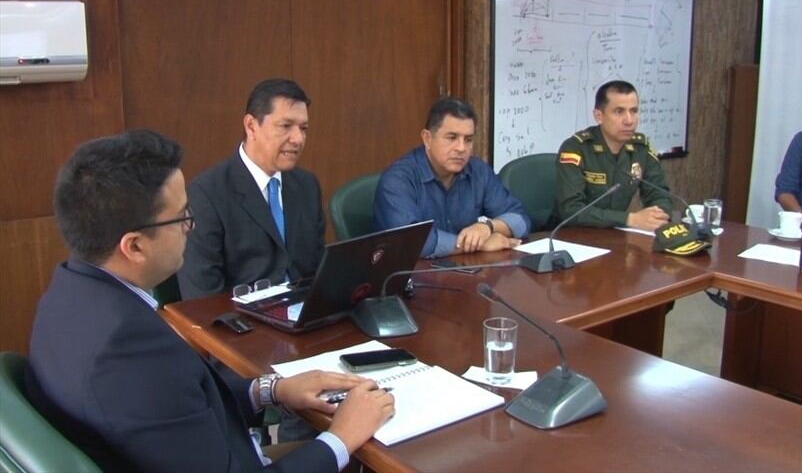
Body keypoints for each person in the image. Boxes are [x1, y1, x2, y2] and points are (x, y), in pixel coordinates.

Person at [26, 130, 394, 472]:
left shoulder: (67, 294)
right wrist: (341, 439)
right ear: (134, 246)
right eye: (183, 216)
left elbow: (179, 407)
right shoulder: (128, 352)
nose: (192, 226)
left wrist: (272, 390)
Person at [178, 78, 325, 300]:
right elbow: (201, 297)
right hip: (244, 324)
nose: (298, 139)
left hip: (305, 316)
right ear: (251, 126)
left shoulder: (306, 185)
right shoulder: (206, 194)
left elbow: (317, 270)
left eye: (303, 128)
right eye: (285, 126)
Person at [373, 97, 530, 258]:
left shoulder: (478, 171)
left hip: (465, 273)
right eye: (452, 137)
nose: (461, 148)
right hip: (411, 277)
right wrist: (478, 244)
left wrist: (487, 227)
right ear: (427, 138)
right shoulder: (397, 180)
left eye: (468, 139)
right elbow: (412, 243)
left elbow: (521, 221)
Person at [556, 80, 672, 231]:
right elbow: (571, 210)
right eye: (619, 111)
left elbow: (660, 194)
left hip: (616, 234)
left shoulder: (641, 148)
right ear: (599, 116)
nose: (629, 120)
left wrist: (657, 216)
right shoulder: (576, 148)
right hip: (572, 236)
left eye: (634, 111)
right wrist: (631, 219)